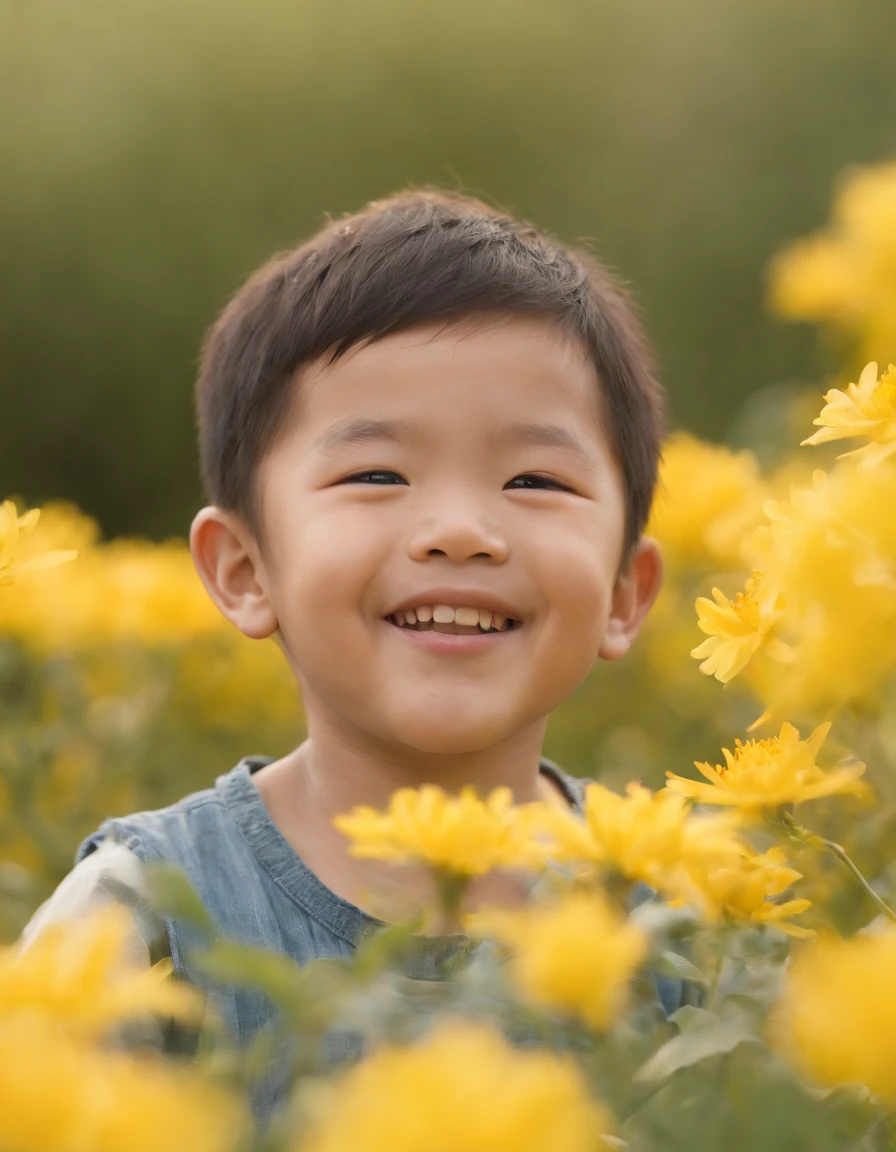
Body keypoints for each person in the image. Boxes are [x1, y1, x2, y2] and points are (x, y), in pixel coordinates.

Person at [18, 189, 668, 1120]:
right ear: (245, 570)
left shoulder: (687, 924)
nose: (459, 531)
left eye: (536, 478)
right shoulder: (137, 924)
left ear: (622, 594)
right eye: (377, 475)